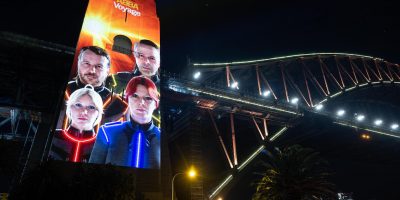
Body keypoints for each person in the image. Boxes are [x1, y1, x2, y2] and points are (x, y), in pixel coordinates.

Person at [89, 76, 160, 169]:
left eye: (148, 98)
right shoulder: (107, 132)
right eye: (135, 96)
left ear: (155, 104)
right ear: (127, 99)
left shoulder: (162, 138)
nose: (141, 102)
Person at [62, 46, 127, 126]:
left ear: (107, 70)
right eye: (87, 64)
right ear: (78, 64)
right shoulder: (62, 90)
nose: (92, 70)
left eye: (99, 66)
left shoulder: (117, 105)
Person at [49, 86, 103, 162]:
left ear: (98, 113)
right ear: (69, 108)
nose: (84, 112)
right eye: (78, 105)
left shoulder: (103, 144)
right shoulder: (51, 136)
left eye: (91, 107)